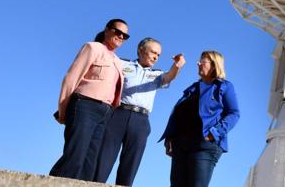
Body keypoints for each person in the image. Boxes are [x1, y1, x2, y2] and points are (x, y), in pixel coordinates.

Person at [94, 37, 186, 186]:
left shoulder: (156, 74)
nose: (156, 57)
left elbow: (169, 77)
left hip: (140, 121)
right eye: (153, 52)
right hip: (117, 115)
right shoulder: (123, 64)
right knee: (103, 159)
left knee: (130, 164)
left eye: (159, 55)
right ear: (140, 50)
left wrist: (177, 66)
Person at [50, 19, 128, 181]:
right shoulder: (93, 48)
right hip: (85, 106)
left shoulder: (118, 62)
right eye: (117, 31)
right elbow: (71, 79)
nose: (120, 36)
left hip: (105, 112)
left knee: (90, 161)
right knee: (76, 154)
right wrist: (63, 111)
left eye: (125, 35)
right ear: (107, 30)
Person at [160, 50, 240, 187]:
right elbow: (179, 114)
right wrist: (170, 137)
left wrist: (213, 133)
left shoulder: (224, 86)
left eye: (203, 61)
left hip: (204, 146)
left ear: (214, 65)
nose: (198, 63)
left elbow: (234, 113)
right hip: (181, 145)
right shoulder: (192, 88)